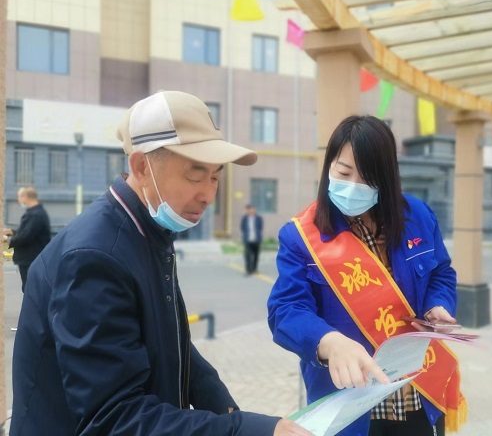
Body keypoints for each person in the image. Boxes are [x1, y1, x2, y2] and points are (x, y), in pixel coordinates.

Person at [11, 91, 314, 436]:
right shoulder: (95, 256)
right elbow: (114, 418)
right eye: (195, 175)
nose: (208, 195)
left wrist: (217, 399)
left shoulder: (148, 229)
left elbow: (166, 337)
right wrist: (248, 430)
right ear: (141, 167)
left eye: (215, 176)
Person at [267, 115, 465, 436]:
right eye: (344, 172)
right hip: (350, 405)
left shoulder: (417, 216)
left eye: (368, 177)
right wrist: (328, 342)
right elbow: (286, 311)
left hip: (417, 394)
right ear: (329, 167)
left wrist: (438, 304)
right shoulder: (301, 236)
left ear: (387, 178)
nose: (354, 186)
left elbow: (441, 272)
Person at [3, 186, 51, 292]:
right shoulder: (35, 213)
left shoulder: (36, 215)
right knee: (30, 289)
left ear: (25, 197)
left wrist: (8, 239)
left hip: (30, 259)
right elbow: (27, 231)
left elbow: (26, 236)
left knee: (30, 290)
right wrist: (11, 231)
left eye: (19, 197)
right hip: (30, 259)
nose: (18, 200)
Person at [240, 204, 263, 275]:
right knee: (247, 255)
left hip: (256, 239)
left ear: (254, 210)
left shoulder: (258, 218)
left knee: (256, 255)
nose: (250, 211)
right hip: (248, 239)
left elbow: (260, 227)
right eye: (248, 209)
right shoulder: (244, 218)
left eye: (252, 209)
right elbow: (242, 228)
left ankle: (254, 269)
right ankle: (248, 270)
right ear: (247, 210)